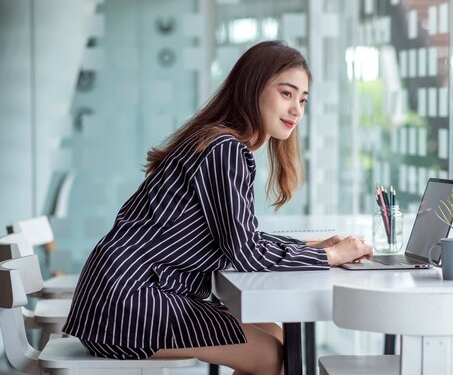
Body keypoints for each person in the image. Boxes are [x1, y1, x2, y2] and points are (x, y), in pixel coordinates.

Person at [62, 40, 373, 375]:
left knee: (275, 336)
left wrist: (310, 246)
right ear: (252, 88)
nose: (296, 109)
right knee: (275, 358)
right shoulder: (223, 150)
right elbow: (245, 253)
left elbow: (238, 238)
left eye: (302, 99)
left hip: (123, 293)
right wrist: (330, 257)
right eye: (286, 93)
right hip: (130, 304)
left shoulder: (220, 142)